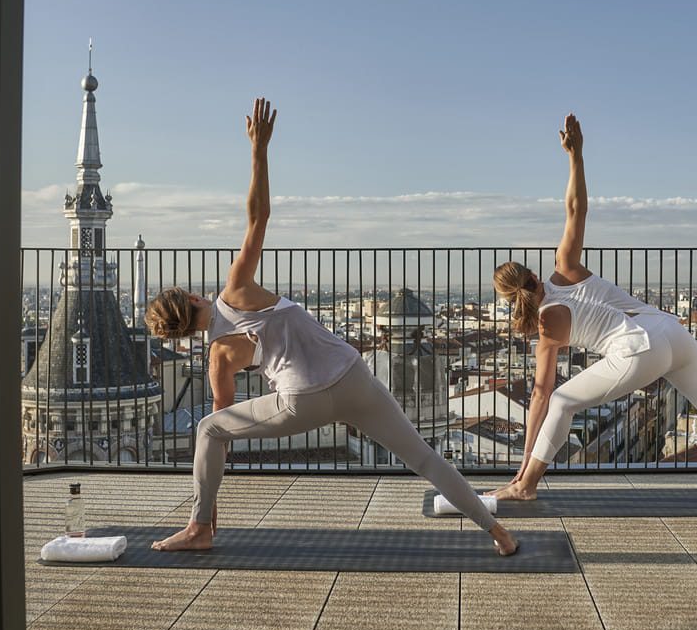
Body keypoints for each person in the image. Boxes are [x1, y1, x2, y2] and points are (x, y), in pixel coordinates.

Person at [146, 98, 519, 555]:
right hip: (352, 374)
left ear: (181, 333)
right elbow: (258, 217)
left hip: (301, 401)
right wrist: (259, 149)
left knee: (207, 428)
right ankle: (498, 533)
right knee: (424, 457)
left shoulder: (218, 356)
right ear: (191, 297)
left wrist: (209, 514)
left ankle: (199, 530)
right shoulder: (237, 290)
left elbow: (220, 436)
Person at [487, 113, 697, 504]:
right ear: (533, 272)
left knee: (562, 402)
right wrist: (576, 155)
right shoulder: (565, 269)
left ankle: (525, 486)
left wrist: (524, 463)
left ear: (508, 301)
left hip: (639, 349)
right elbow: (575, 209)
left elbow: (540, 396)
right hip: (672, 331)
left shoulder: (546, 327)